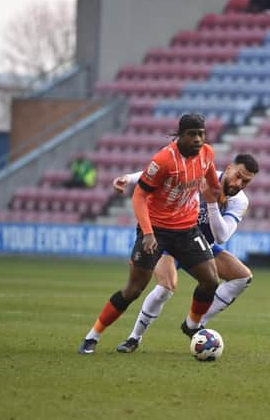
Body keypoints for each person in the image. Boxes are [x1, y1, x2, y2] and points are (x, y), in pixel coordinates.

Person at [77, 113, 222, 354]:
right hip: (156, 231)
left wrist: (218, 192)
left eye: (201, 134)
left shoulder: (207, 153)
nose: (197, 139)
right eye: (192, 134)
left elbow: (211, 179)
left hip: (187, 229)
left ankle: (193, 326)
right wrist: (147, 233)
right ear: (181, 136)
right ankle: (93, 336)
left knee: (210, 281)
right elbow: (140, 195)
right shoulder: (164, 160)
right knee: (134, 289)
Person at [113, 154, 259, 353]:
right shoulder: (202, 176)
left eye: (246, 181)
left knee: (242, 277)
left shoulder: (240, 201)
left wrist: (211, 203)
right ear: (230, 167)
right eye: (238, 176)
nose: (239, 183)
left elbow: (222, 236)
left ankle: (194, 324)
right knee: (166, 287)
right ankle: (134, 337)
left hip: (200, 248)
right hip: (172, 241)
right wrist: (129, 178)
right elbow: (162, 175)